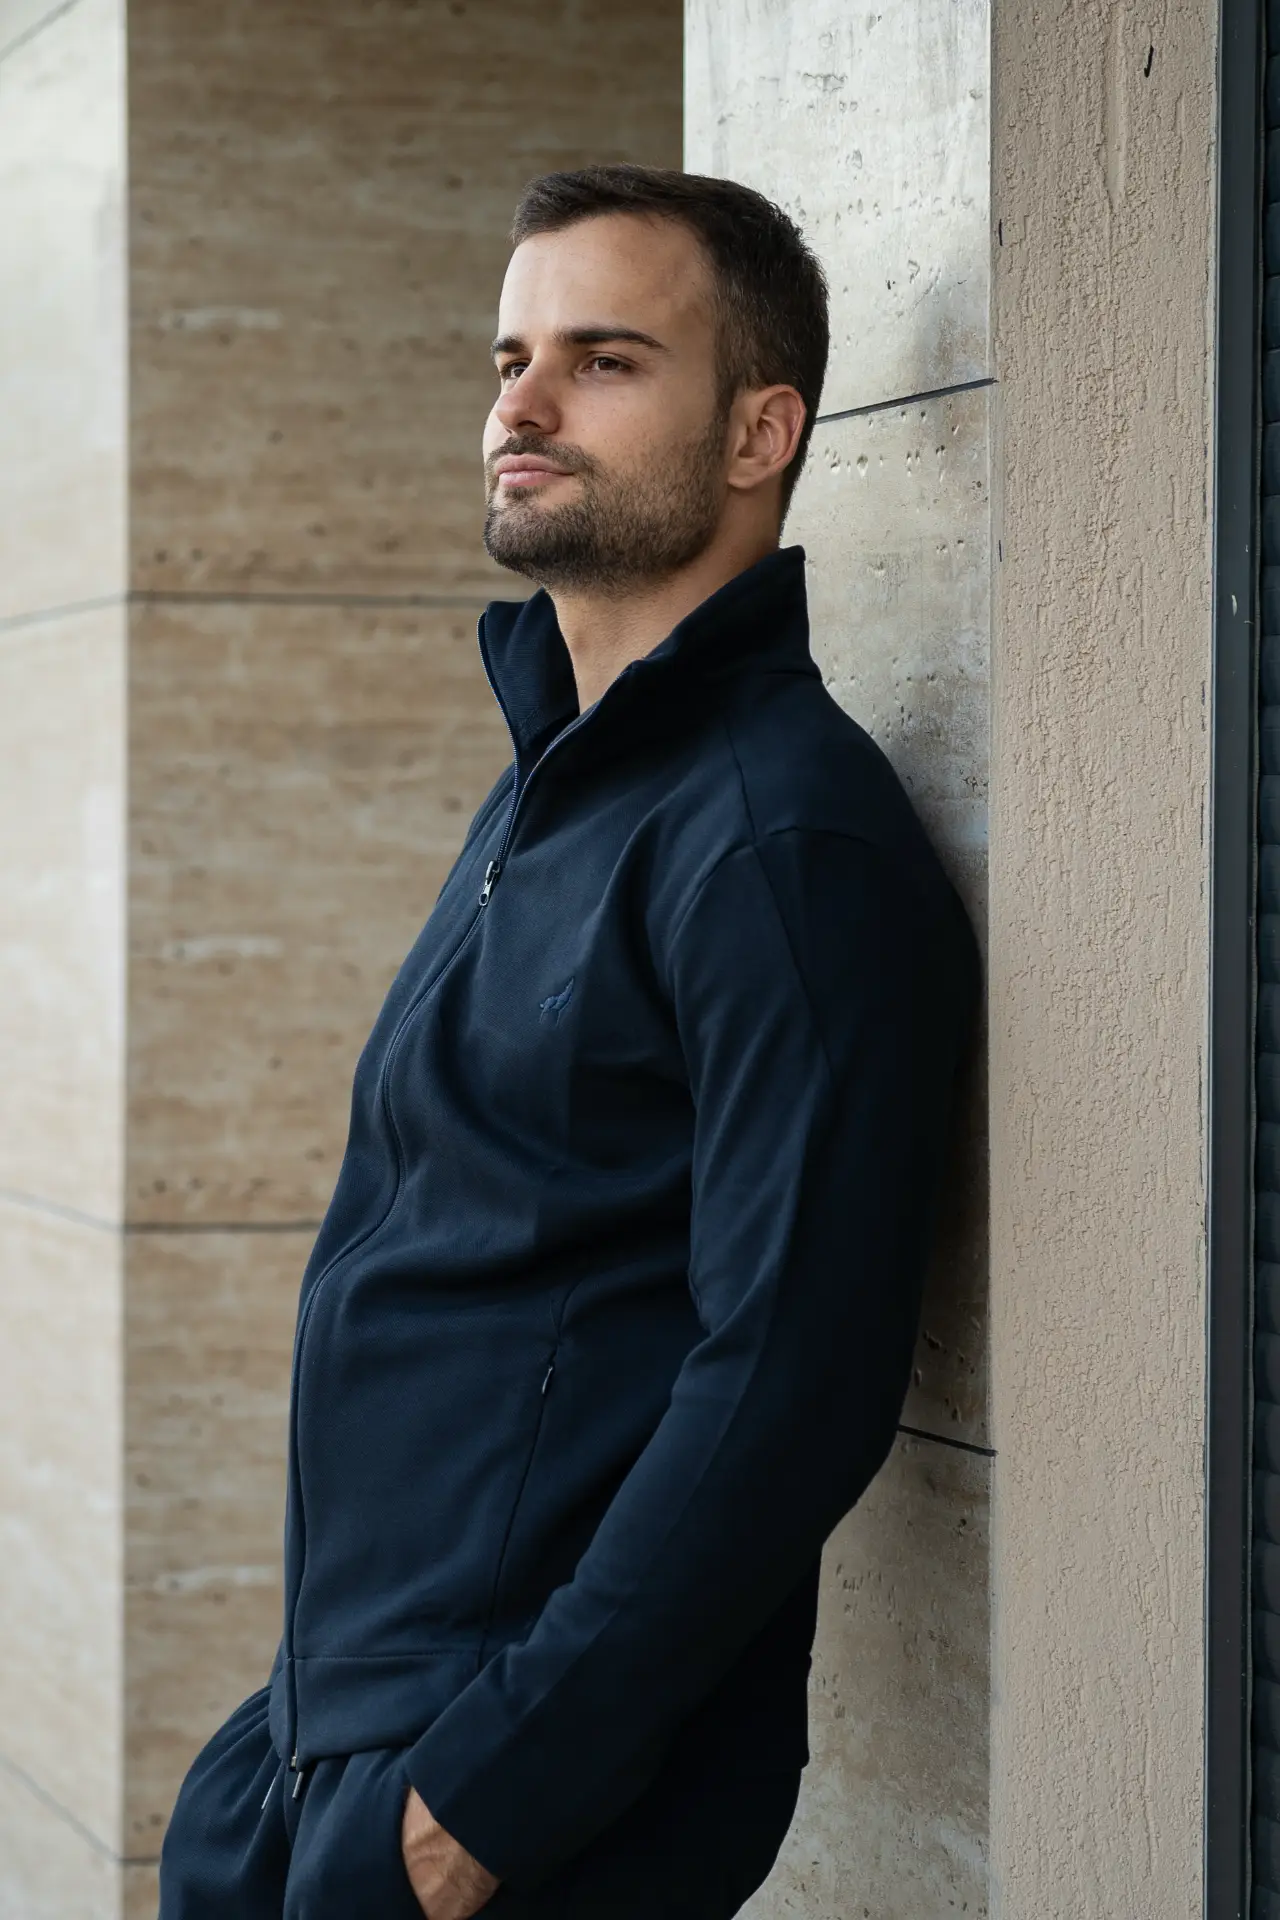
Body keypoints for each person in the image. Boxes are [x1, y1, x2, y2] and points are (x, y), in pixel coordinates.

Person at [158, 165, 979, 1920]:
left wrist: (476, 1805)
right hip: (328, 1749)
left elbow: (792, 1382)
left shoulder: (776, 838)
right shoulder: (561, 784)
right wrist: (279, 1757)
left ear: (760, 432)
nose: (521, 406)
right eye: (510, 357)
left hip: (515, 1810)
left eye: (604, 360)